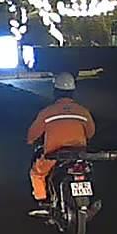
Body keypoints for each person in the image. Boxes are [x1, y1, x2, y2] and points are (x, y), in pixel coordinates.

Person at [25, 72, 96, 217]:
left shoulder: (47, 112)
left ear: (55, 91)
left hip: (54, 156)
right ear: (73, 92)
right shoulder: (83, 111)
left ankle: (43, 202)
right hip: (79, 155)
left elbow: (32, 135)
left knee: (37, 173)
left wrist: (31, 141)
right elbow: (90, 132)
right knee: (88, 171)